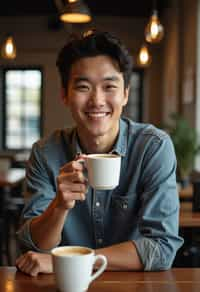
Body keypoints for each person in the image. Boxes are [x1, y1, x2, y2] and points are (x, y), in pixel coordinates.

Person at [16, 30, 183, 276]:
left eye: (109, 86)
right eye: (83, 87)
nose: (97, 100)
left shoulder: (152, 147)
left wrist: (72, 262)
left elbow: (161, 248)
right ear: (64, 94)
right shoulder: (45, 153)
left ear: (125, 93)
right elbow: (35, 246)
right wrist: (59, 206)